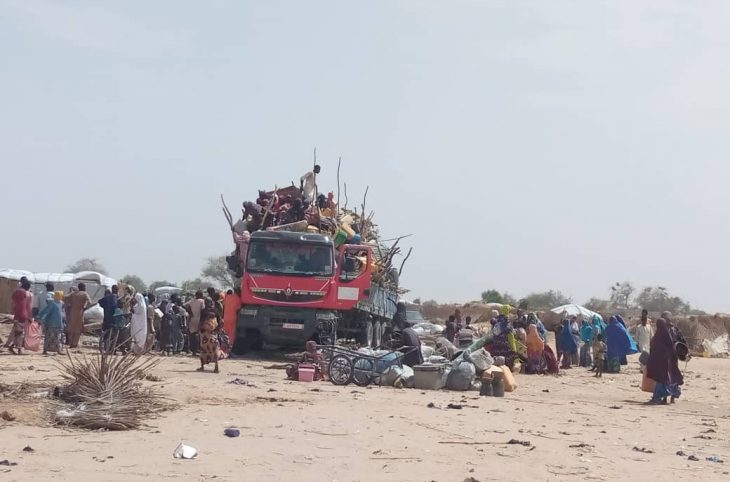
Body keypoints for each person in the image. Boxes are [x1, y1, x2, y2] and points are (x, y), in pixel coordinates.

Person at [646, 318, 684, 404]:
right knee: (669, 379)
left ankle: (658, 398)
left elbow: (655, 348)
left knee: (661, 380)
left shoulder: (659, 336)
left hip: (662, 362)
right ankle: (667, 398)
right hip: (668, 362)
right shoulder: (667, 334)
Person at [5, 279, 33, 354]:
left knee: (17, 332)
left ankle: (12, 346)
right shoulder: (24, 294)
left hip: (17, 315)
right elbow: (27, 307)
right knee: (20, 333)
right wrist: (29, 317)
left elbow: (14, 302)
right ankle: (19, 349)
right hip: (22, 316)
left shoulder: (17, 294)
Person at [37, 291, 65, 355]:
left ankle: (59, 350)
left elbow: (63, 313)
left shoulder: (61, 303)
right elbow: (46, 311)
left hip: (59, 323)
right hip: (51, 323)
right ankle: (45, 350)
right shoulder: (52, 303)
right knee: (49, 337)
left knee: (58, 337)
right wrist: (41, 319)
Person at [64, 283, 91, 348]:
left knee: (72, 327)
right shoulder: (85, 294)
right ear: (84, 287)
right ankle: (75, 343)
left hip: (72, 312)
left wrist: (69, 304)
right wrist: (85, 307)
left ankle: (71, 343)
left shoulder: (74, 293)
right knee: (78, 328)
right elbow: (90, 302)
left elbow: (64, 297)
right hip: (80, 312)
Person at [198, 298, 221, 373]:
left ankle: (202, 367)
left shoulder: (204, 311)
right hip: (214, 333)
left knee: (204, 350)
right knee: (215, 349)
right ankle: (216, 367)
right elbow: (220, 321)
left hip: (205, 334)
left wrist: (199, 330)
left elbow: (201, 322)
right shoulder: (216, 310)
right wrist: (217, 330)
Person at [98, 285, 119, 353]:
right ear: (117, 290)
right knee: (115, 334)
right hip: (114, 318)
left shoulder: (107, 297)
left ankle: (105, 347)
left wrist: (105, 307)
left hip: (106, 317)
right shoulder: (115, 297)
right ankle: (113, 349)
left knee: (106, 334)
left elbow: (100, 302)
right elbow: (117, 307)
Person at [185, 291, 205, 355]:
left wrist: (191, 313)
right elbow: (203, 310)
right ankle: (198, 350)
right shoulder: (202, 301)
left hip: (192, 319)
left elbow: (186, 306)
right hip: (199, 320)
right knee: (199, 336)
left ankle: (193, 350)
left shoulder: (191, 301)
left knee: (192, 335)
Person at [222, 288, 242, 355]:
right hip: (233, 318)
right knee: (231, 335)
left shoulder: (227, 297)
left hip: (225, 318)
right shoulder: (238, 299)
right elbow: (238, 309)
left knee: (225, 333)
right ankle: (228, 351)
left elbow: (224, 306)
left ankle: (222, 349)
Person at [129, 287, 147, 354]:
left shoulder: (141, 306)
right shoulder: (140, 305)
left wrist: (132, 309)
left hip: (140, 325)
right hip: (138, 324)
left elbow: (135, 312)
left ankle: (138, 351)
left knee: (139, 336)